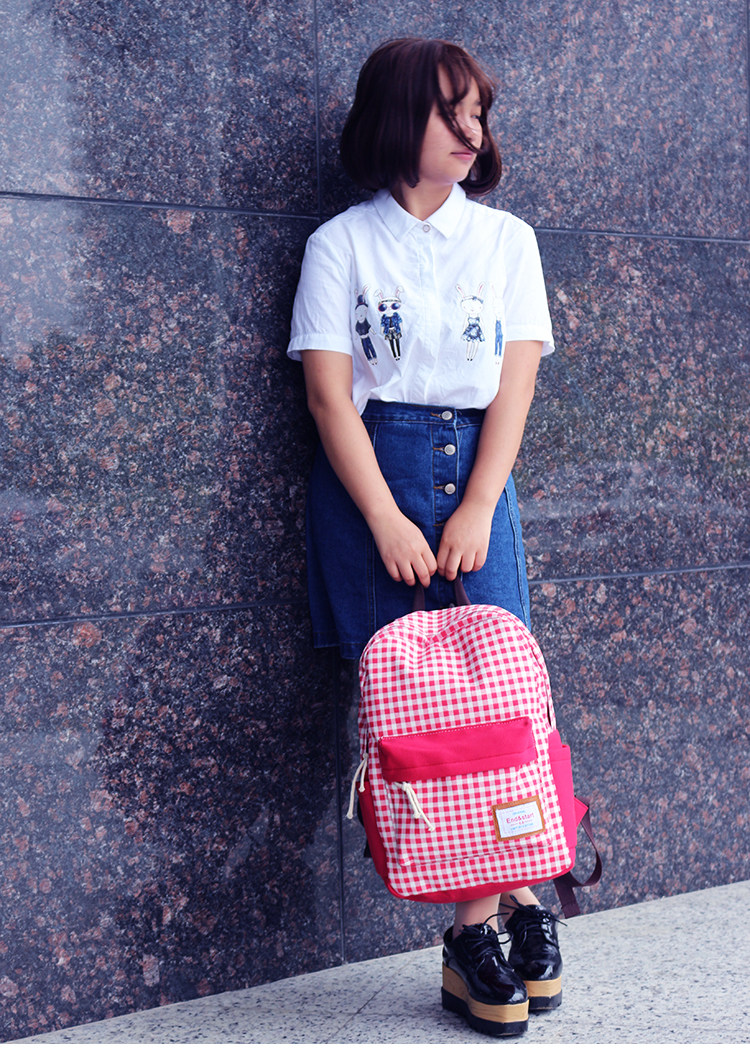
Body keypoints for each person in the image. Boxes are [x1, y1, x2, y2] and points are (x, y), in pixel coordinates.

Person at [288, 37, 561, 1038]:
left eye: (477, 111)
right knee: (418, 716)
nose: (471, 129)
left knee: (499, 702)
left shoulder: (508, 241)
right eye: (452, 110)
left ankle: (476, 928)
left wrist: (480, 503)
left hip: (479, 471)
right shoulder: (341, 244)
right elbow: (329, 397)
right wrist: (385, 516)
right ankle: (503, 912)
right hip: (375, 473)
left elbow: (515, 387)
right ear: (399, 116)